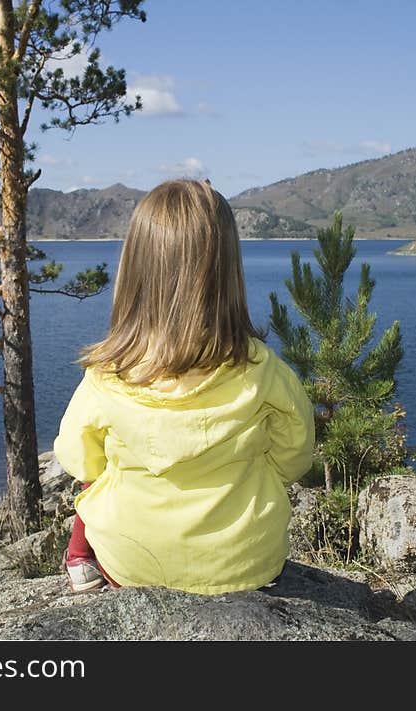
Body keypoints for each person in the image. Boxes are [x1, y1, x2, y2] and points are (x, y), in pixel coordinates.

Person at [53, 179, 315, 594]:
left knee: (101, 476)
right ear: (227, 272)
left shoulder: (106, 376)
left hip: (132, 565)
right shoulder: (265, 371)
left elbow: (77, 459)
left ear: (135, 269)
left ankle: (80, 559)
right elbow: (294, 460)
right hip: (246, 566)